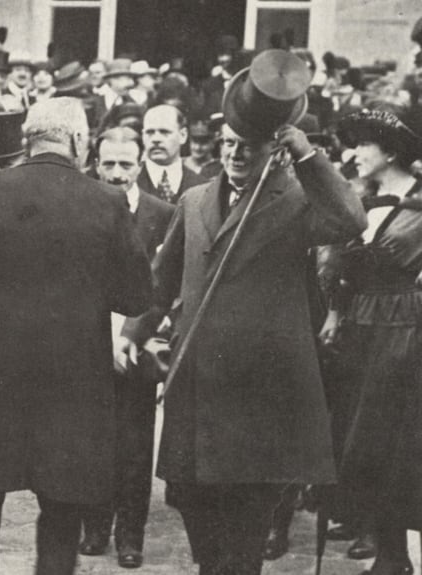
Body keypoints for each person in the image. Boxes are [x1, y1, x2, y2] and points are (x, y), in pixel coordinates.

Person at [118, 50, 367, 575]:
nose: (234, 154)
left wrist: (307, 156)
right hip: (196, 386)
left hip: (259, 396)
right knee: (198, 519)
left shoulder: (296, 200)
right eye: (228, 143)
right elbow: (161, 281)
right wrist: (133, 332)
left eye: (247, 147)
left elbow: (350, 220)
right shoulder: (194, 201)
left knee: (245, 532)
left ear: (272, 151)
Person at [0, 97, 151, 575]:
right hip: (71, 388)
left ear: (28, 138)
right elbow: (136, 296)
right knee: (62, 514)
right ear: (79, 141)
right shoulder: (107, 201)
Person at [322, 108, 422, 575]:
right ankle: (389, 550)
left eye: (363, 144)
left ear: (392, 152)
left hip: (407, 329)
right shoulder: (359, 202)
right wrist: (336, 310)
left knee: (399, 440)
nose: (354, 153)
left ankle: (394, 555)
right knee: (365, 440)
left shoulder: (419, 203)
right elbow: (343, 269)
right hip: (363, 326)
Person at [79, 126, 175, 569]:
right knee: (92, 440)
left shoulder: (163, 214)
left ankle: (130, 534)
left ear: (140, 165)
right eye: (109, 164)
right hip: (89, 342)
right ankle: (95, 526)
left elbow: (166, 284)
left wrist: (133, 336)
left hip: (139, 343)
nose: (117, 174)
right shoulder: (81, 207)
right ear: (96, 164)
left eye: (126, 164)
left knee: (135, 445)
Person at [138, 105, 207, 204]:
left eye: (164, 132)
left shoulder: (202, 186)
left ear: (183, 135)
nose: (156, 139)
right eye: (150, 132)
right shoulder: (129, 183)